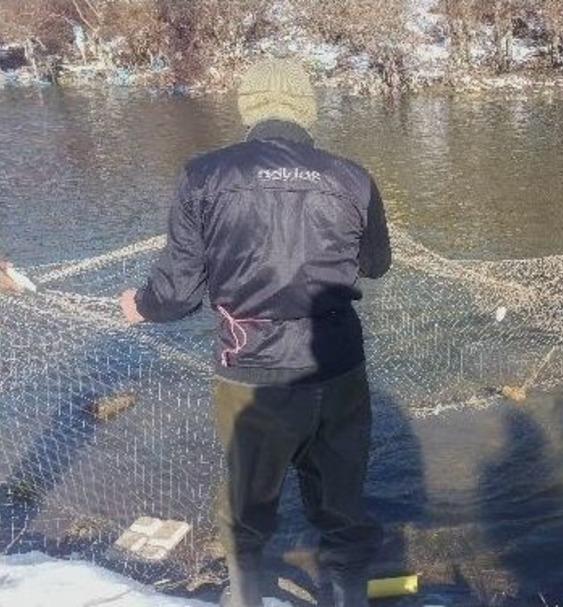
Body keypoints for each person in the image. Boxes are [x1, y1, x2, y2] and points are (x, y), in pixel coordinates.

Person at [119, 57, 391, 607]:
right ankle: (349, 598)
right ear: (306, 111)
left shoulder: (205, 174)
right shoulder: (352, 177)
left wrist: (139, 305)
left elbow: (175, 294)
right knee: (341, 502)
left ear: (248, 110)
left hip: (252, 371)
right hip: (336, 363)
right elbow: (376, 264)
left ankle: (243, 598)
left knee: (246, 508)